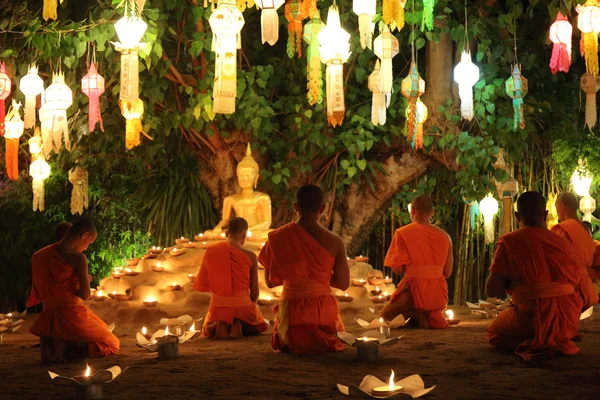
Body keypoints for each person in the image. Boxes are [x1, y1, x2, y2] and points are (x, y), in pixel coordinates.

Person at [486, 192, 583, 360]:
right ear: (545, 215)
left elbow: (492, 289)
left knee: (493, 332)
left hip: (531, 318)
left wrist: (514, 282)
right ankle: (556, 337)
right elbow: (575, 282)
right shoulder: (564, 244)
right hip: (567, 319)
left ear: (517, 216)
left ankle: (535, 339)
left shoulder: (511, 242)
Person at [258, 184, 349, 355]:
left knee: (290, 340)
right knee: (328, 339)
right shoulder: (335, 241)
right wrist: (318, 280)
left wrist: (299, 281)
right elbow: (343, 284)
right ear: (322, 208)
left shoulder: (277, 238)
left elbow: (270, 283)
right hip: (323, 311)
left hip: (292, 314)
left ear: (295, 207)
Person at [27, 217, 119, 363]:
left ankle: (53, 344)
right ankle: (67, 348)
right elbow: (85, 295)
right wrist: (81, 283)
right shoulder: (77, 258)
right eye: (89, 243)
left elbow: (40, 290)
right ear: (84, 236)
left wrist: (75, 281)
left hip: (47, 316)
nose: (87, 247)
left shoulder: (38, 256)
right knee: (112, 344)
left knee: (102, 328)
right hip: (70, 315)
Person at [379, 195, 453, 329]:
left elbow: (398, 270)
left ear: (412, 210)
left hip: (412, 293)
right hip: (438, 296)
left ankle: (417, 313)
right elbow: (447, 272)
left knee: (383, 318)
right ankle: (425, 314)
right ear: (432, 212)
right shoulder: (445, 236)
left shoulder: (403, 233)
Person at [194, 217, 268, 339]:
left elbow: (204, 283)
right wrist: (253, 306)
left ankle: (218, 324)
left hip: (219, 308)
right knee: (259, 326)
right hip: (243, 307)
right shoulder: (250, 256)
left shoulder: (211, 251)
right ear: (244, 236)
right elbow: (254, 290)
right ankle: (238, 323)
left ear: (226, 233)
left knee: (207, 329)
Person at [551, 192, 599, 309]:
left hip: (572, 289)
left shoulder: (562, 229)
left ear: (562, 206)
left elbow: (556, 262)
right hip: (588, 288)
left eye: (556, 208)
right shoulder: (585, 229)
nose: (556, 212)